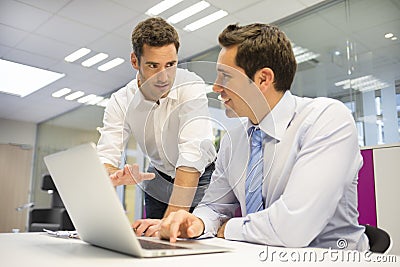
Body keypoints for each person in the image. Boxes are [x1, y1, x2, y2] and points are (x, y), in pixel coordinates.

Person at [158, 23, 369, 251]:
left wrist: (229, 227)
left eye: (225, 77)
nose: (217, 87)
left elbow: (292, 229)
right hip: (260, 256)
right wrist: (196, 223)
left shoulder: (326, 119)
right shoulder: (235, 139)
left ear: (263, 79)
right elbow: (214, 207)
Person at [97, 17, 216, 234]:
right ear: (135, 61)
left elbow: (192, 153)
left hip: (200, 176)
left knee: (191, 239)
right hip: (158, 175)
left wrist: (170, 219)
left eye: (170, 65)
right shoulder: (121, 100)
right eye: (153, 65)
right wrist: (114, 173)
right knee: (152, 238)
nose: (164, 77)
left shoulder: (191, 85)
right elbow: (106, 156)